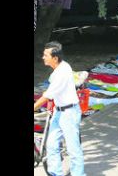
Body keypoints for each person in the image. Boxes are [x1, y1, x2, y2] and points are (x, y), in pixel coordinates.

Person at [34, 41, 86, 176]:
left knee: (74, 150)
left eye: (46, 55)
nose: (43, 57)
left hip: (69, 113)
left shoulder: (62, 72)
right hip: (59, 111)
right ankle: (55, 173)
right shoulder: (59, 68)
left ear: (55, 58)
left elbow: (47, 95)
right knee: (51, 145)